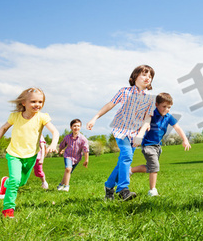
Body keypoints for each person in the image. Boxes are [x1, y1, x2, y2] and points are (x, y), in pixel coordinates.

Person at [0, 87, 59, 218]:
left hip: (31, 156)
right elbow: (4, 128)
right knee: (15, 180)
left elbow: (55, 131)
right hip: (14, 154)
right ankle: (8, 209)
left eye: (40, 102)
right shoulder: (15, 116)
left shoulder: (42, 117)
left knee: (21, 183)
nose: (37, 105)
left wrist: (53, 144)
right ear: (23, 103)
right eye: (33, 102)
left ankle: (5, 183)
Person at [87, 65, 155, 201]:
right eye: (144, 74)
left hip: (135, 134)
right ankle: (123, 189)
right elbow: (110, 105)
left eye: (150, 76)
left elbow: (148, 119)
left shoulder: (151, 99)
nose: (147, 78)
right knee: (127, 156)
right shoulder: (124, 91)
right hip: (121, 130)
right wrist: (95, 118)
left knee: (122, 162)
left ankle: (109, 186)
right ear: (135, 76)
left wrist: (140, 135)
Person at [130, 93, 191, 196]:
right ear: (156, 104)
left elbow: (177, 128)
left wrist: (185, 139)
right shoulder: (151, 114)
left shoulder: (168, 117)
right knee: (155, 167)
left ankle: (130, 170)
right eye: (164, 106)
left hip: (158, 146)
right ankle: (152, 190)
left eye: (169, 107)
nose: (166, 109)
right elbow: (142, 120)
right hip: (148, 145)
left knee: (151, 167)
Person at [56, 119, 89, 192]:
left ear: (80, 127)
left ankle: (61, 184)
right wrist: (59, 151)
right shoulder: (67, 137)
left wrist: (86, 160)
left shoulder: (83, 139)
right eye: (74, 126)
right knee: (68, 169)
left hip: (77, 158)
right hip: (67, 155)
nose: (76, 128)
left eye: (78, 126)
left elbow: (86, 150)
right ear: (71, 127)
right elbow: (62, 145)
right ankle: (66, 186)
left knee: (68, 172)